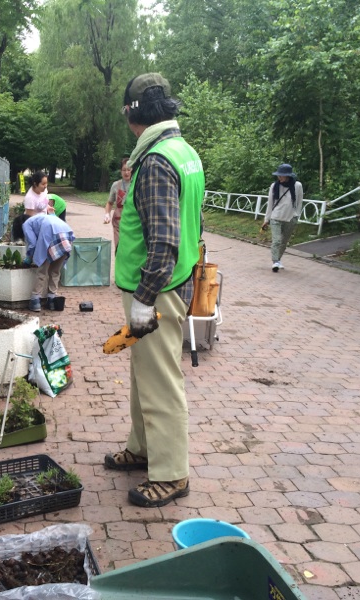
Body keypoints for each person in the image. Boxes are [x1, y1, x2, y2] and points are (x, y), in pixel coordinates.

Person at [104, 73, 204, 508]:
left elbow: (163, 242)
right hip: (169, 283)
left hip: (156, 290)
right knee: (143, 373)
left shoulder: (157, 161)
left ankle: (171, 473)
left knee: (161, 382)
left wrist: (144, 298)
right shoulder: (183, 152)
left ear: (132, 113)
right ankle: (143, 448)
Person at [22, 212, 75, 312]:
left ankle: (35, 301)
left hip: (50, 238)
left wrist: (28, 258)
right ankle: (52, 301)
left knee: (42, 271)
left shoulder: (26, 224)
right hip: (66, 240)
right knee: (55, 271)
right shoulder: (42, 218)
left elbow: (32, 243)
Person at [262, 164, 303, 272]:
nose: (279, 177)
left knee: (284, 241)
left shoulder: (297, 185)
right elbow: (270, 203)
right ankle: (275, 261)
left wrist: (296, 215)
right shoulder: (274, 186)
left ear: (288, 175)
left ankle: (278, 259)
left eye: (282, 175)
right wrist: (266, 219)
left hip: (290, 218)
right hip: (276, 217)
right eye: (278, 175)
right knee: (277, 240)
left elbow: (299, 202)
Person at [104, 158, 132, 248]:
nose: (126, 172)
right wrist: (107, 214)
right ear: (121, 171)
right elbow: (109, 203)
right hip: (118, 223)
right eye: (124, 170)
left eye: (128, 170)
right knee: (119, 247)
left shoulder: (136, 184)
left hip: (132, 223)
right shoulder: (116, 185)